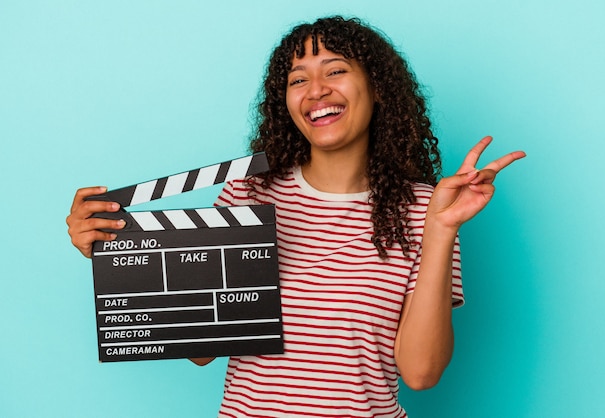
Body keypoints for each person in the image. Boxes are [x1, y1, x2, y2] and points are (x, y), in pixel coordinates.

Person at [67, 16, 525, 417]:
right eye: (297, 79)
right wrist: (116, 254)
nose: (317, 90)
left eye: (337, 70)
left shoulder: (426, 208)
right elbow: (204, 351)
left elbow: (421, 372)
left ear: (378, 88)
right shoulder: (248, 191)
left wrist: (442, 230)